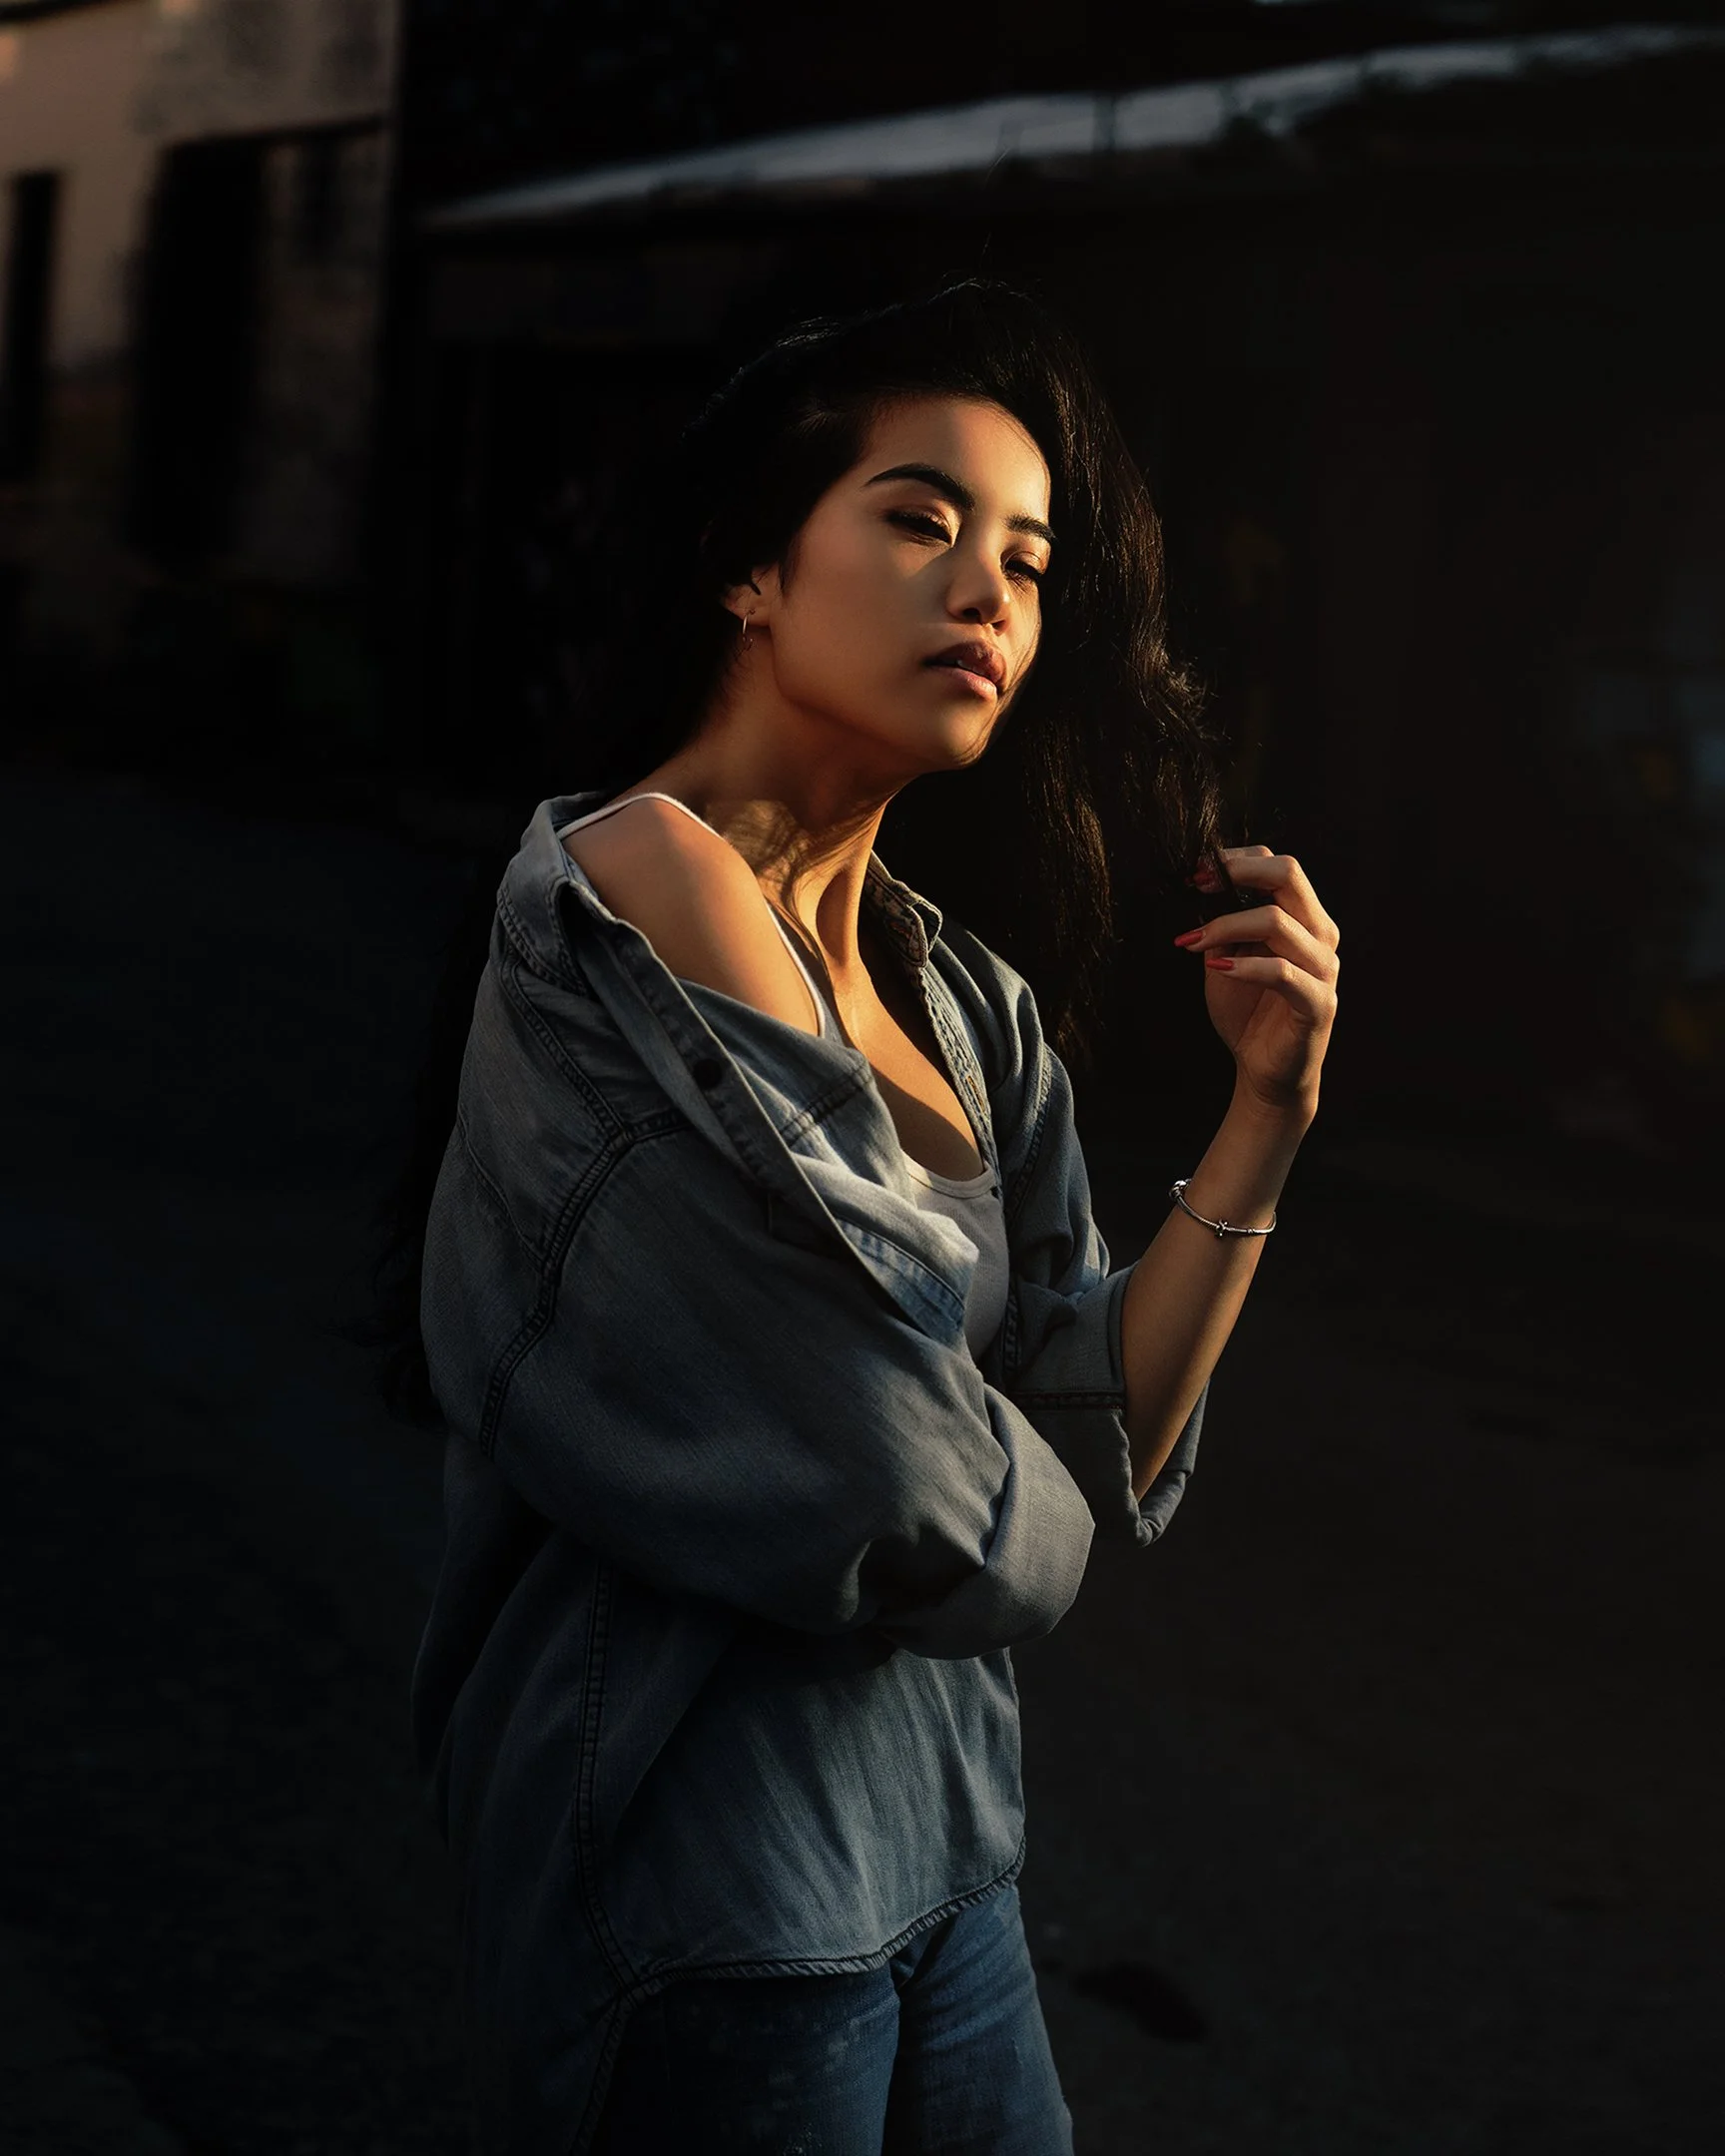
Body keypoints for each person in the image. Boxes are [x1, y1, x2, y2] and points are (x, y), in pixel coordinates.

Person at [401, 280, 1340, 2154]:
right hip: (713, 1869)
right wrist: (1029, 1515)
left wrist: (1267, 1113)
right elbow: (869, 1459)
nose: (988, 591)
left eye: (1030, 558)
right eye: (919, 521)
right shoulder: (628, 882)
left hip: (951, 1847)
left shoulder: (962, 996)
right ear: (754, 569)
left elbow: (1089, 1422)